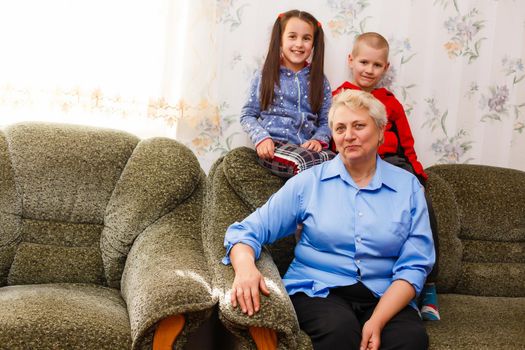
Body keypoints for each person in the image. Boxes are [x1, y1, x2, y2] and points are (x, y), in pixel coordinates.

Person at [223, 89, 435, 350]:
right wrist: (245, 268)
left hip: (384, 292)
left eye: (359, 126)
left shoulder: (408, 187)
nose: (349, 135)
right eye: (340, 128)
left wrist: (377, 321)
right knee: (340, 332)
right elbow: (246, 231)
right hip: (318, 289)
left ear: (381, 131)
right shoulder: (309, 183)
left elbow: (415, 266)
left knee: (410, 340)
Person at [332, 32, 440, 320]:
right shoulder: (338, 97)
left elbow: (406, 142)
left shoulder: (390, 102)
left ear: (386, 68)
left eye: (376, 65)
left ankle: (426, 286)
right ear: (351, 61)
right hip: (352, 163)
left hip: (393, 163)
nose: (369, 70)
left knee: (425, 209)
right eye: (364, 62)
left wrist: (416, 173)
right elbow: (334, 134)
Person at [240, 10, 335, 178]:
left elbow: (327, 120)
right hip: (275, 147)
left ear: (313, 44)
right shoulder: (265, 74)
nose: (299, 44)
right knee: (305, 163)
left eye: (306, 38)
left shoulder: (319, 79)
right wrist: (261, 138)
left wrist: (318, 139)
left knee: (337, 162)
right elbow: (247, 115)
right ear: (281, 39)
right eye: (292, 36)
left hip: (306, 148)